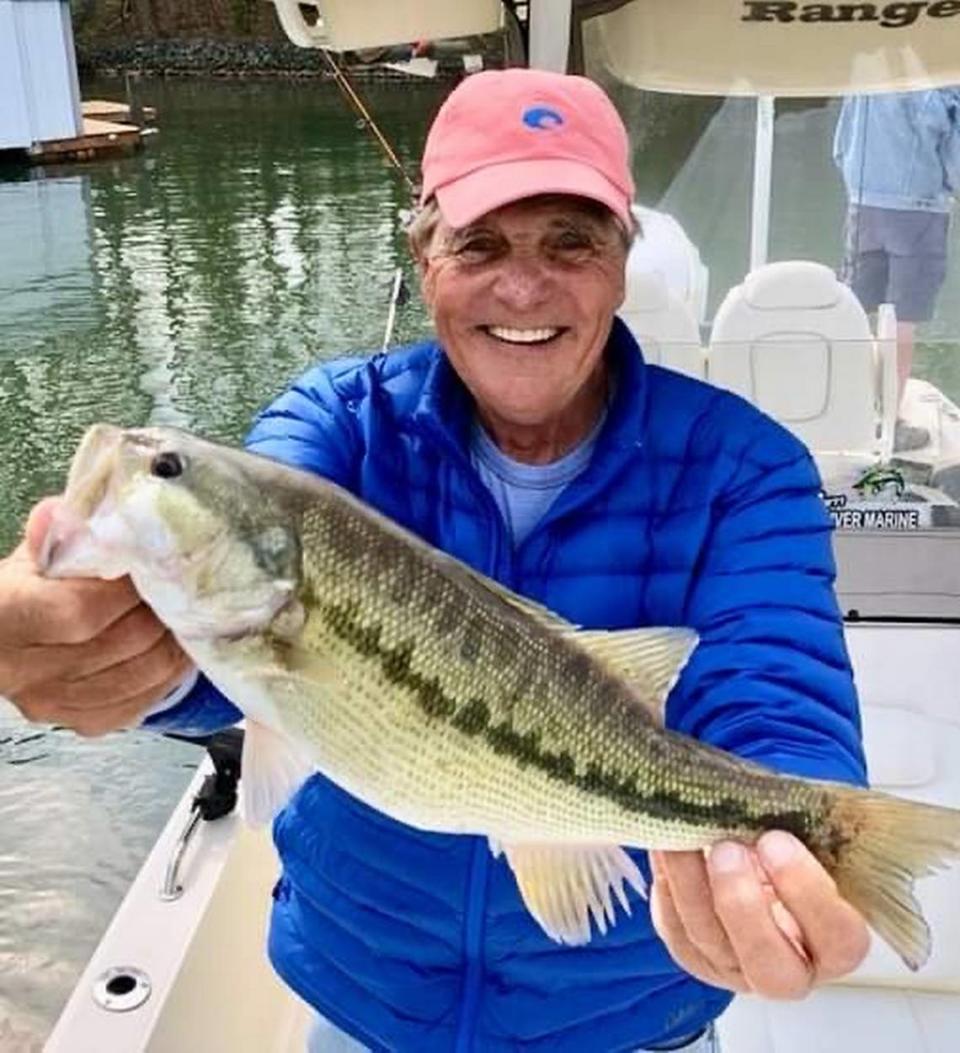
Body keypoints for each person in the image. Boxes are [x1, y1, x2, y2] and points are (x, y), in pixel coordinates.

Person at [2, 70, 869, 1052]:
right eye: (481, 242)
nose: (523, 285)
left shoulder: (746, 468)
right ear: (426, 259)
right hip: (364, 1007)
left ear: (622, 264)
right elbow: (218, 669)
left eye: (571, 242)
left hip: (632, 1020)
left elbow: (779, 698)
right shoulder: (332, 428)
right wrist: (108, 655)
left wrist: (785, 855)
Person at [833, 88, 960, 452]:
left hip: (862, 203)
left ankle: (849, 406)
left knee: (857, 311)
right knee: (902, 320)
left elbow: (840, 146)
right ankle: (888, 422)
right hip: (919, 210)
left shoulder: (868, 75)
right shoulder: (942, 79)